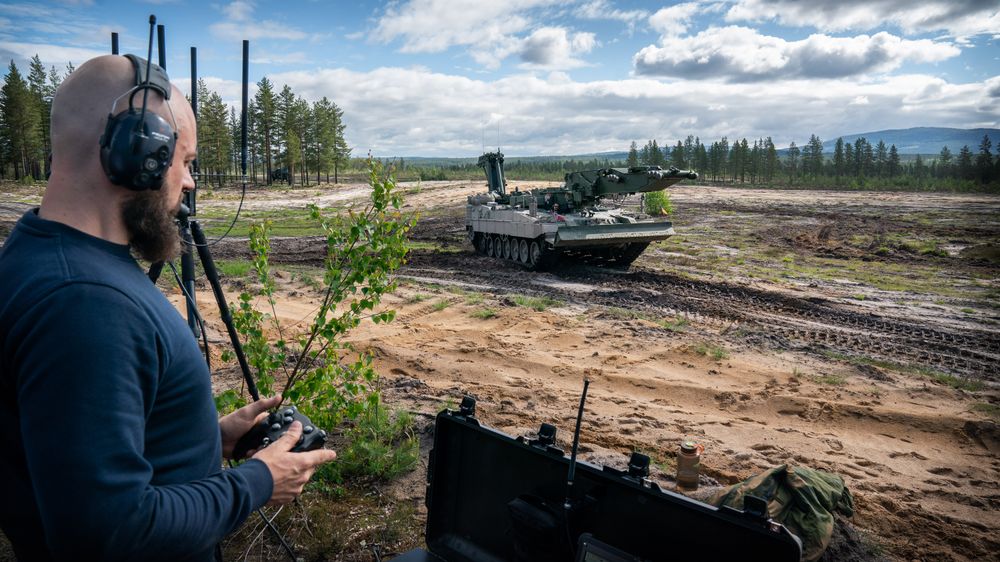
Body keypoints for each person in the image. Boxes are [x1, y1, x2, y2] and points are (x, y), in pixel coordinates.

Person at [0, 55, 336, 561]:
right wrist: (257, 482)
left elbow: (73, 451)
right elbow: (107, 533)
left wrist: (202, 439)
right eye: (185, 161)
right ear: (140, 151)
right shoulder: (84, 304)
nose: (190, 182)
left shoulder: (41, 255)